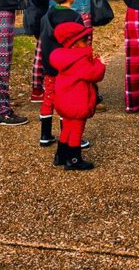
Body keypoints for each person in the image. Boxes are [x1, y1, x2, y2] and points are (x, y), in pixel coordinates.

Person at [48, 21, 105, 170]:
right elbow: (94, 74)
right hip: (77, 103)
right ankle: (74, 159)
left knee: (66, 128)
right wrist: (100, 63)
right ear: (74, 43)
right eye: (84, 39)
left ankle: (61, 155)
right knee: (77, 130)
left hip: (64, 103)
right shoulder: (79, 60)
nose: (88, 41)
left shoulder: (65, 58)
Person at [38, 0, 85, 147]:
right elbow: (79, 46)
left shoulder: (46, 17)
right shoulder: (74, 18)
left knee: (49, 97)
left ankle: (45, 134)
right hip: (68, 70)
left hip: (50, 67)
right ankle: (68, 135)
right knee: (67, 102)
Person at [23, 0, 53, 103]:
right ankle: (41, 86)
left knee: (39, 51)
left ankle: (36, 87)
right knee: (44, 53)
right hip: (47, 16)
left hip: (34, 16)